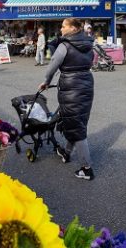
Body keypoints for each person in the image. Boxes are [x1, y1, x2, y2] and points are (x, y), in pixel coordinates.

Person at [39, 18, 95, 180]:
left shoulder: (65, 45)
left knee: (77, 126)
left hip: (70, 88)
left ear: (73, 28)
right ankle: (66, 152)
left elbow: (52, 67)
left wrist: (46, 82)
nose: (61, 29)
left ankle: (86, 168)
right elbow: (89, 62)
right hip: (86, 84)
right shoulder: (88, 43)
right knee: (76, 121)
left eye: (63, 26)